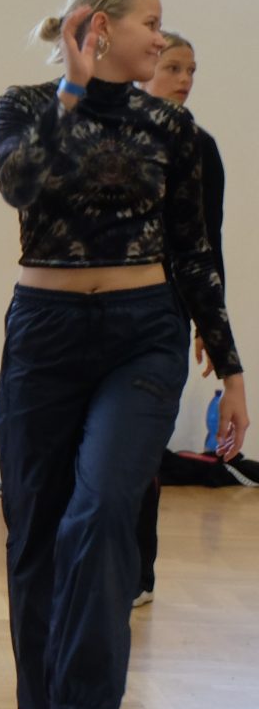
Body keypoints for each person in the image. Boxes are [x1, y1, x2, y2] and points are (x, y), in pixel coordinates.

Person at [0, 0, 246, 709]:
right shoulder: (25, 106)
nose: (161, 39)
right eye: (151, 23)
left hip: (143, 335)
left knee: (102, 508)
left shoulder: (172, 128)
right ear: (98, 26)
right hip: (45, 337)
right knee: (34, 534)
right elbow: (21, 184)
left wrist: (232, 369)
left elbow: (195, 251)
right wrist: (73, 86)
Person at [131, 31, 227, 607]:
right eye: (173, 67)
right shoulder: (111, 139)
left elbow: (208, 243)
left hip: (163, 316)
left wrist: (210, 327)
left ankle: (139, 574)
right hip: (104, 315)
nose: (185, 80)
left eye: (191, 70)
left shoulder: (200, 146)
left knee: (143, 450)